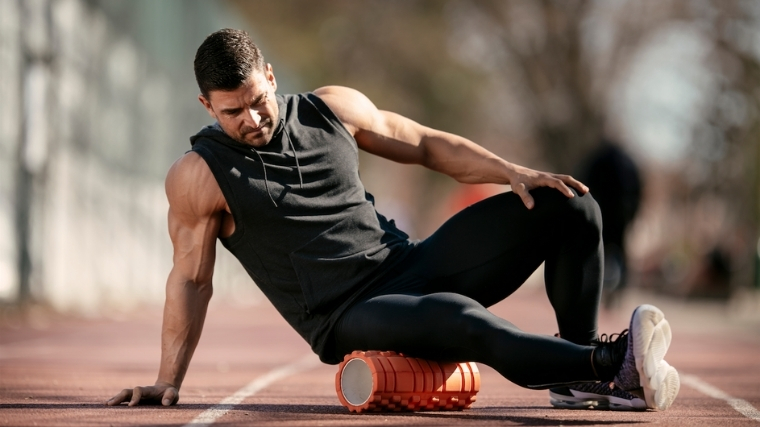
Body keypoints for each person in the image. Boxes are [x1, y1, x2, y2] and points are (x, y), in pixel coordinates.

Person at [106, 29, 680, 411]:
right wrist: (168, 380)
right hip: (347, 313)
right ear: (208, 106)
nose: (253, 118)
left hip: (407, 263)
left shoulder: (331, 108)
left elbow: (426, 145)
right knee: (461, 318)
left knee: (572, 207)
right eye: (233, 111)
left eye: (259, 99)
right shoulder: (199, 175)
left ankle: (573, 375)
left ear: (272, 77)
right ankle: (611, 363)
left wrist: (510, 170)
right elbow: (190, 279)